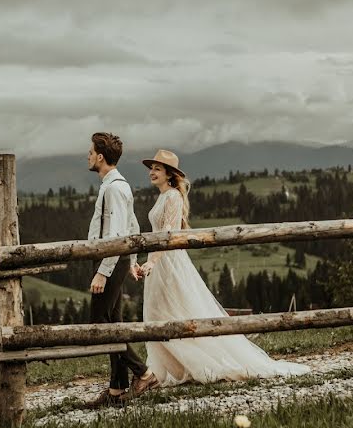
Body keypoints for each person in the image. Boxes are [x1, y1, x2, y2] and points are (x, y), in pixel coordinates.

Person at [129, 149, 309, 391]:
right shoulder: (162, 197)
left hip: (169, 262)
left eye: (157, 169)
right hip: (157, 261)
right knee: (158, 311)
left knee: (174, 310)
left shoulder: (172, 197)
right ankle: (169, 366)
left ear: (170, 175)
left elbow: (169, 236)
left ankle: (192, 362)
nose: (152, 172)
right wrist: (147, 261)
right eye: (151, 169)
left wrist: (153, 261)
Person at [84, 132, 159, 408]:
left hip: (109, 260)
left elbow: (117, 232)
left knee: (100, 324)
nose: (88, 156)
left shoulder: (113, 188)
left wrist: (104, 271)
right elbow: (133, 227)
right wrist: (131, 261)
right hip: (118, 260)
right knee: (113, 325)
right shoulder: (119, 185)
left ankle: (144, 373)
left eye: (91, 152)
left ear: (101, 156)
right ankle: (116, 389)